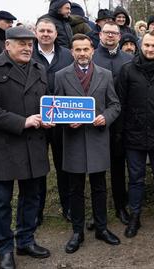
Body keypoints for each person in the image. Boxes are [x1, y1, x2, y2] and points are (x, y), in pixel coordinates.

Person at [0, 26, 52, 269]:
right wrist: (22, 121)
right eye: (21, 43)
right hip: (6, 146)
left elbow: (46, 101)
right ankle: (4, 248)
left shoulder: (40, 69)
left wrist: (49, 117)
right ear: (7, 45)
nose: (28, 48)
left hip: (34, 145)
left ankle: (25, 240)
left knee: (32, 197)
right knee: (1, 202)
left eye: (30, 44)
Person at [55, 34, 121, 254]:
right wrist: (66, 122)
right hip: (73, 141)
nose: (82, 53)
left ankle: (101, 228)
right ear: (72, 52)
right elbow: (55, 108)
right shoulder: (61, 76)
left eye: (86, 49)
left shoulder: (106, 74)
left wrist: (106, 118)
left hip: (97, 139)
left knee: (100, 187)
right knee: (75, 189)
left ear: (92, 50)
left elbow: (115, 105)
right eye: (77, 50)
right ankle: (77, 232)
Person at [115, 29, 154, 238]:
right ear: (141, 46)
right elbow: (120, 103)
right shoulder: (127, 70)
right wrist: (120, 134)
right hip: (133, 135)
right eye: (147, 45)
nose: (150, 49)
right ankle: (135, 217)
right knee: (135, 179)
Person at [32, 18, 74, 226]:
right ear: (35, 32)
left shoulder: (67, 55)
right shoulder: (28, 53)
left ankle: (68, 206)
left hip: (61, 120)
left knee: (63, 165)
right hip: (35, 119)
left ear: (56, 34)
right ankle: (36, 211)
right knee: (37, 167)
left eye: (50, 30)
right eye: (42, 30)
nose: (46, 34)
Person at [93, 21, 132, 226]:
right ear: (100, 35)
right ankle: (97, 211)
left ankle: (120, 206)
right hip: (96, 121)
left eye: (114, 33)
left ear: (119, 36)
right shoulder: (92, 57)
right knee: (95, 169)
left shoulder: (128, 59)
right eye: (107, 32)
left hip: (122, 122)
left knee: (118, 167)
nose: (110, 36)